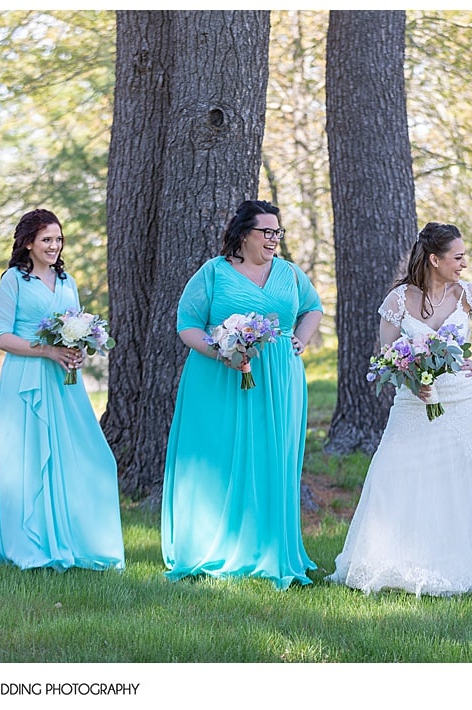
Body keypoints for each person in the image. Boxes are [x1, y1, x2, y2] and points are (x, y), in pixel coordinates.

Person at [326, 222, 472, 597]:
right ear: (435, 259)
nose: (463, 263)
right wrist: (414, 380)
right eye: (457, 256)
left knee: (451, 482)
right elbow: (387, 357)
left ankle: (442, 565)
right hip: (413, 402)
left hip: (460, 400)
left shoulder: (468, 295)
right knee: (390, 472)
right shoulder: (398, 301)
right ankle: (384, 558)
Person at [161, 199, 323, 590]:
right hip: (219, 377)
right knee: (220, 456)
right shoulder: (213, 273)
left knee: (272, 459)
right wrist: (222, 351)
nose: (273, 239)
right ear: (243, 233)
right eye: (266, 232)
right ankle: (211, 545)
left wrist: (300, 340)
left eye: (277, 232)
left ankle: (267, 548)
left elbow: (313, 308)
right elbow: (187, 325)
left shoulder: (289, 273)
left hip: (279, 380)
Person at [0, 208, 125, 572]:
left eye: (58, 239)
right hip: (26, 379)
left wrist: (77, 350)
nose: (54, 245)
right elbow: (1, 336)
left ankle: (72, 536)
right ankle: (29, 541)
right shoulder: (14, 280)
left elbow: (72, 324)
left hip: (63, 382)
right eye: (46, 239)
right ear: (28, 243)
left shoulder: (67, 280)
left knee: (78, 454)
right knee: (29, 457)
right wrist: (47, 350)